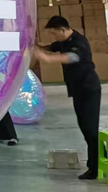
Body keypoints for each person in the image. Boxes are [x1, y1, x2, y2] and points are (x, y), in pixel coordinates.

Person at [35, 15, 101, 180]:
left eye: (54, 33)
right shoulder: (64, 41)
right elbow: (51, 47)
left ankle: (94, 168)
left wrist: (47, 58)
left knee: (90, 129)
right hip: (78, 90)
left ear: (62, 29)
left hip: (88, 89)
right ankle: (95, 164)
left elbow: (71, 57)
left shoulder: (79, 42)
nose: (53, 37)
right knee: (85, 127)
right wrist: (34, 45)